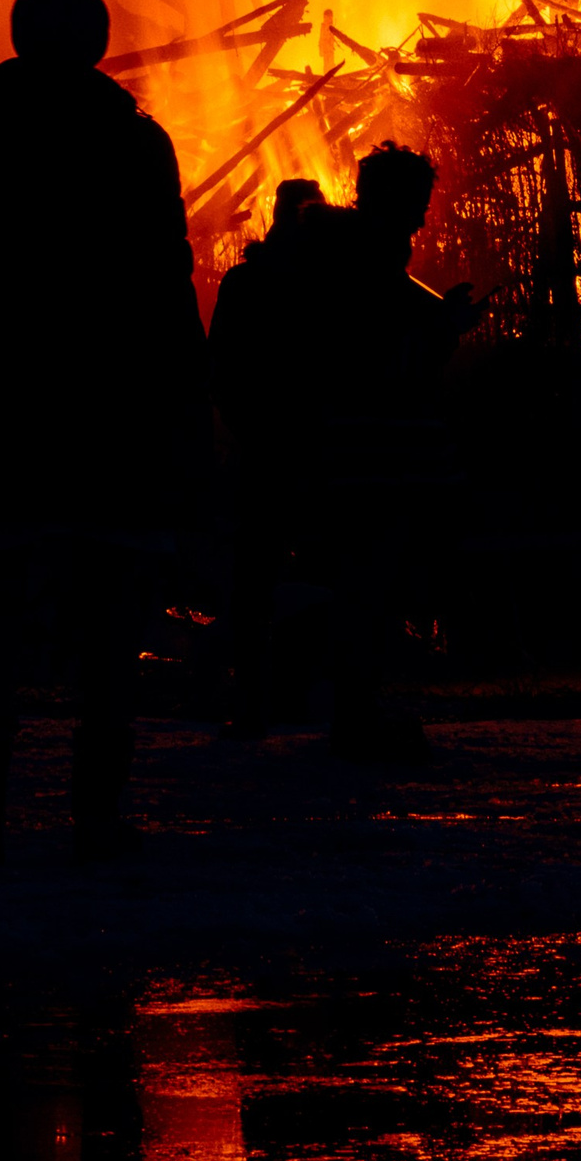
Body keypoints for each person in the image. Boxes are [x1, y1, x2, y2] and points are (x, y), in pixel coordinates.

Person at [0, 0, 207, 867]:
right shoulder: (136, 144)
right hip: (111, 429)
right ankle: (96, 822)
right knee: (108, 651)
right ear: (98, 44)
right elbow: (167, 285)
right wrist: (183, 411)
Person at [317, 141, 470, 761]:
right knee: (369, 581)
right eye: (418, 201)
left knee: (366, 582)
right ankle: (355, 716)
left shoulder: (347, 260)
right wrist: (441, 329)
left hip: (360, 449)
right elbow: (387, 358)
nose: (424, 216)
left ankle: (355, 710)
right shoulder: (369, 269)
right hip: (374, 451)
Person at [206, 176, 338, 737]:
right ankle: (295, 694)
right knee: (303, 571)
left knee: (261, 575)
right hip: (304, 447)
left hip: (280, 446)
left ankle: (262, 698)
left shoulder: (252, 282)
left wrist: (249, 428)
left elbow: (221, 368)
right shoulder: (327, 286)